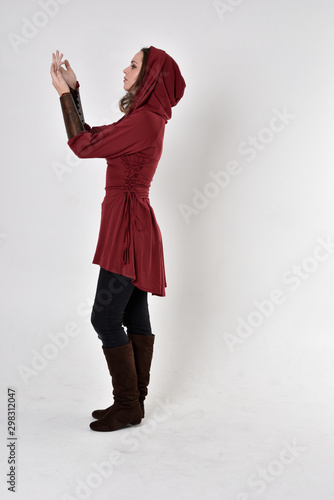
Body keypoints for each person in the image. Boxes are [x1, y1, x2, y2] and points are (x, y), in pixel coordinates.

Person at [50, 46, 186, 432]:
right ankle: (133, 403)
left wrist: (61, 95)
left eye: (133, 65)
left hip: (128, 226)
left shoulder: (145, 121)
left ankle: (128, 404)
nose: (124, 70)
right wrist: (74, 91)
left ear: (151, 78)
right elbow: (94, 136)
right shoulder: (145, 119)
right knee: (131, 313)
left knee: (105, 316)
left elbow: (82, 147)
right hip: (131, 223)